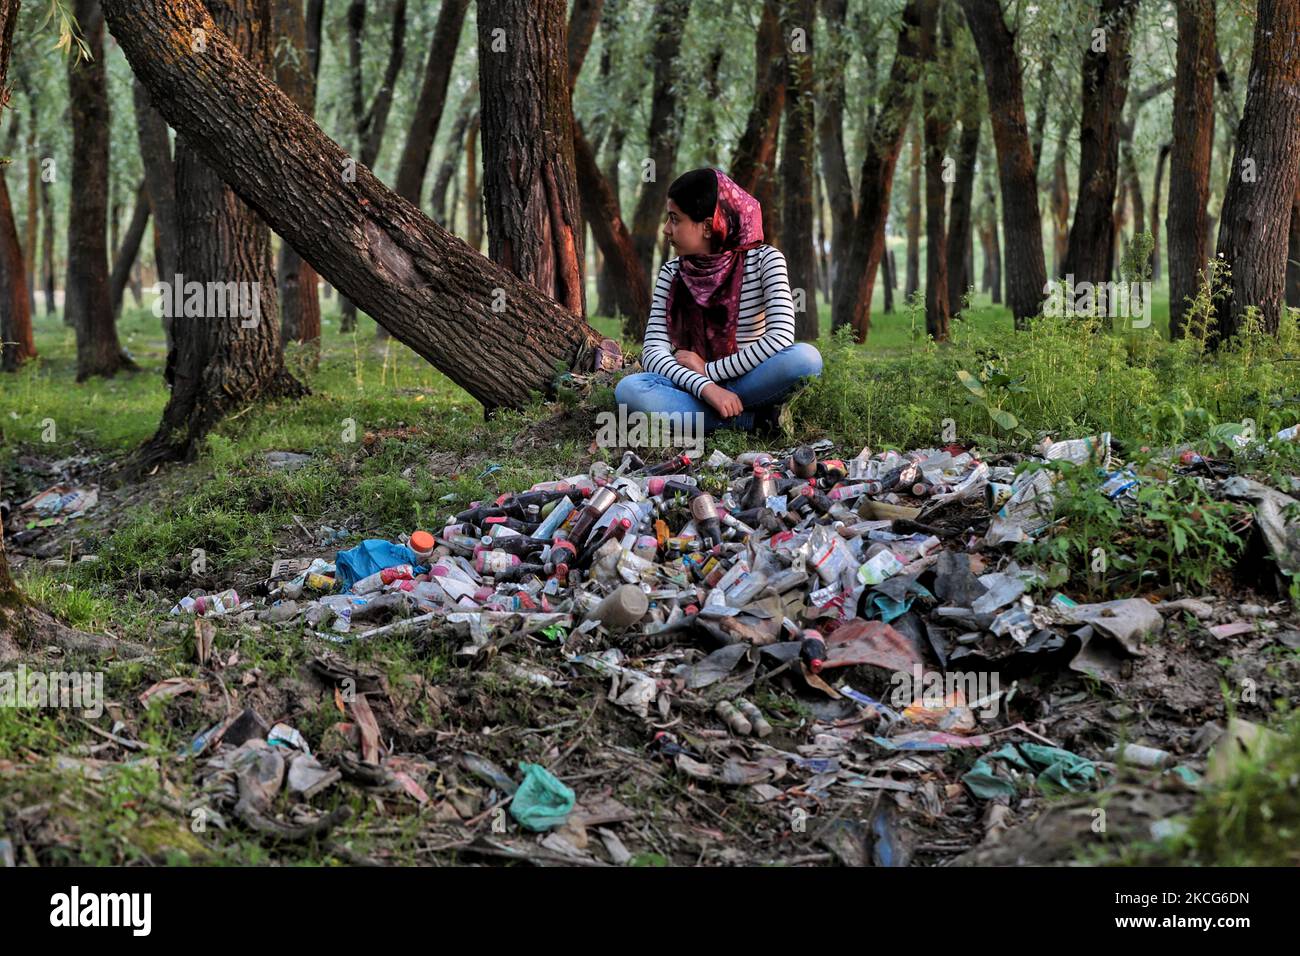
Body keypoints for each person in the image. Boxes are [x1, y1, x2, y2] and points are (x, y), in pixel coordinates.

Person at [614, 167, 822, 434]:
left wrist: (709, 370)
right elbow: (653, 353)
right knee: (630, 391)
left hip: (749, 380)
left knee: (806, 359)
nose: (666, 230)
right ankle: (751, 422)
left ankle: (712, 417)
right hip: (692, 387)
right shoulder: (671, 273)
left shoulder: (765, 260)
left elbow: (781, 337)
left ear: (709, 227)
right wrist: (705, 387)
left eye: (675, 219)